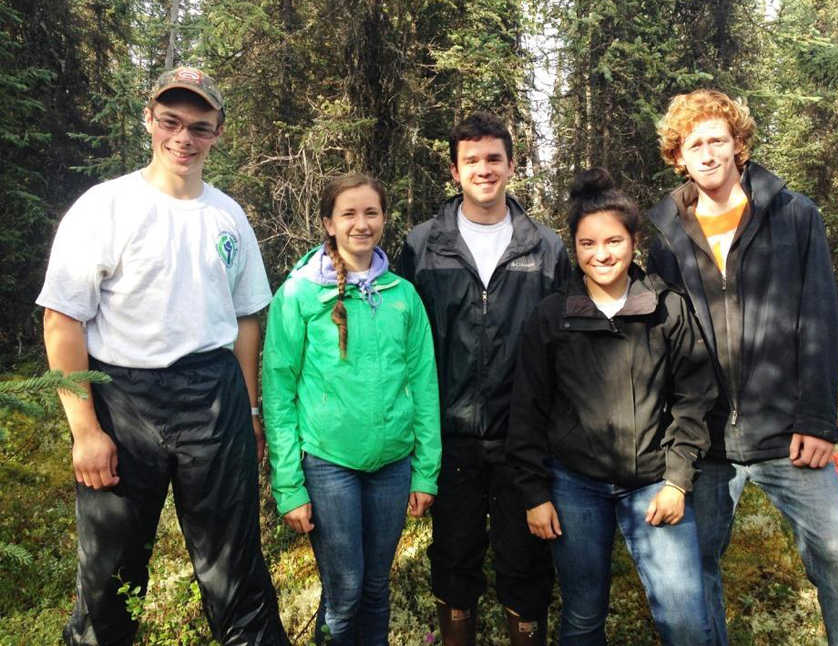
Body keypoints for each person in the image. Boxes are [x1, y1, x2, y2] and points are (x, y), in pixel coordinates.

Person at [37, 66, 289, 645]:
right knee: (109, 576)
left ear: (217, 133)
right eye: (170, 121)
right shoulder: (105, 207)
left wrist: (247, 411)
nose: (183, 138)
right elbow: (62, 319)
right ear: (148, 120)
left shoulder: (228, 216)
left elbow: (249, 317)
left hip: (214, 397)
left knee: (235, 568)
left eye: (199, 127)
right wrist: (86, 431)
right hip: (123, 401)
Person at [646, 89, 838, 645]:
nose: (706, 154)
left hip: (789, 435)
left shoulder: (794, 216)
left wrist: (820, 421)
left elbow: (820, 321)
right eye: (693, 144)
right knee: (692, 573)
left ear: (739, 146)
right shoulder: (667, 237)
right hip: (706, 443)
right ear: (678, 156)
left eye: (717, 141)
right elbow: (667, 343)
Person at [507, 168, 715, 645]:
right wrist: (535, 493)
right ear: (573, 247)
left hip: (654, 485)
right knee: (582, 616)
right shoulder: (552, 316)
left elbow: (693, 399)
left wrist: (677, 481)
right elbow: (528, 410)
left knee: (685, 619)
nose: (601, 255)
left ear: (634, 240)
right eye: (586, 244)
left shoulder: (667, 308)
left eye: (613, 242)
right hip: (574, 485)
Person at [399, 111, 571, 645]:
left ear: (512, 165)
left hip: (523, 437)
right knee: (454, 558)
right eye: (471, 160)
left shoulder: (545, 248)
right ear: (454, 171)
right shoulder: (422, 246)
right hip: (449, 436)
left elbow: (565, 348)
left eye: (494, 158)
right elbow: (402, 343)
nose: (483, 169)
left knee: (526, 562)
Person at [262, 173, 441, 645]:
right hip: (328, 464)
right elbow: (279, 392)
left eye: (371, 213)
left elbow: (424, 385)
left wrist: (425, 472)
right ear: (328, 222)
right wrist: (289, 486)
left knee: (377, 587)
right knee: (345, 590)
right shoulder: (300, 294)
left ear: (384, 219)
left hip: (393, 465)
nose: (361, 224)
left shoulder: (403, 296)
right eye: (349, 213)